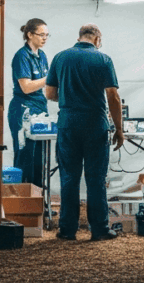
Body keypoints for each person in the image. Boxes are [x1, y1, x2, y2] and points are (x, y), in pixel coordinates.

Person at [44, 24, 123, 242]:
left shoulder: (60, 57)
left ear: (79, 37)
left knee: (69, 177)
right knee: (96, 178)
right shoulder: (103, 59)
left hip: (68, 124)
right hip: (95, 125)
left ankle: (67, 230)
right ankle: (99, 229)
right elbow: (113, 97)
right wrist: (119, 129)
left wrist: (69, 97)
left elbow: (50, 92)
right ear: (98, 38)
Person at [9, 19, 51, 186]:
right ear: (30, 34)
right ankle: (23, 203)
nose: (45, 38)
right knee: (25, 155)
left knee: (40, 157)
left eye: (47, 35)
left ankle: (39, 203)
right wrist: (50, 79)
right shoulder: (22, 56)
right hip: (23, 109)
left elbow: (45, 86)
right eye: (41, 35)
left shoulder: (42, 56)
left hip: (40, 108)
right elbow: (26, 87)